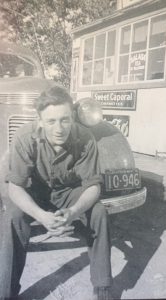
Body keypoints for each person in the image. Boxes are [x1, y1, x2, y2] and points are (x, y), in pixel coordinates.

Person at [0, 86, 112, 300]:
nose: (59, 128)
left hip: (69, 193)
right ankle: (6, 293)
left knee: (98, 212)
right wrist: (40, 216)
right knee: (13, 217)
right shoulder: (24, 137)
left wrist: (73, 211)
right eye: (51, 121)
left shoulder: (86, 138)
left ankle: (103, 288)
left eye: (65, 120)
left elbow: (93, 186)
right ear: (39, 120)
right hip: (35, 193)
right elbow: (15, 187)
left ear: (72, 117)